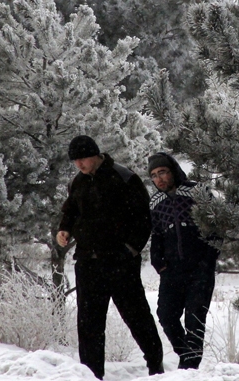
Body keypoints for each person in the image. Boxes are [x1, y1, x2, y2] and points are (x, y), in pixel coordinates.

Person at [57, 135, 164, 379]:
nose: (79, 165)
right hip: (87, 263)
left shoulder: (124, 177)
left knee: (136, 317)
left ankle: (156, 368)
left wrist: (130, 250)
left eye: (82, 159)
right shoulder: (79, 182)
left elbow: (143, 219)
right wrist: (64, 229)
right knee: (88, 324)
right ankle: (92, 375)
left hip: (120, 263)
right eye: (75, 161)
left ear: (95, 154)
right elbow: (71, 210)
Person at [148, 152, 220, 370]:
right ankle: (187, 358)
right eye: (154, 175)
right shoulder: (155, 201)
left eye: (162, 172)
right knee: (166, 316)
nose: (159, 179)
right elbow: (156, 233)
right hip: (171, 270)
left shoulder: (197, 191)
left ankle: (188, 369)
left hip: (200, 269)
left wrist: (208, 260)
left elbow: (216, 225)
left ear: (173, 171)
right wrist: (157, 260)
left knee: (194, 321)